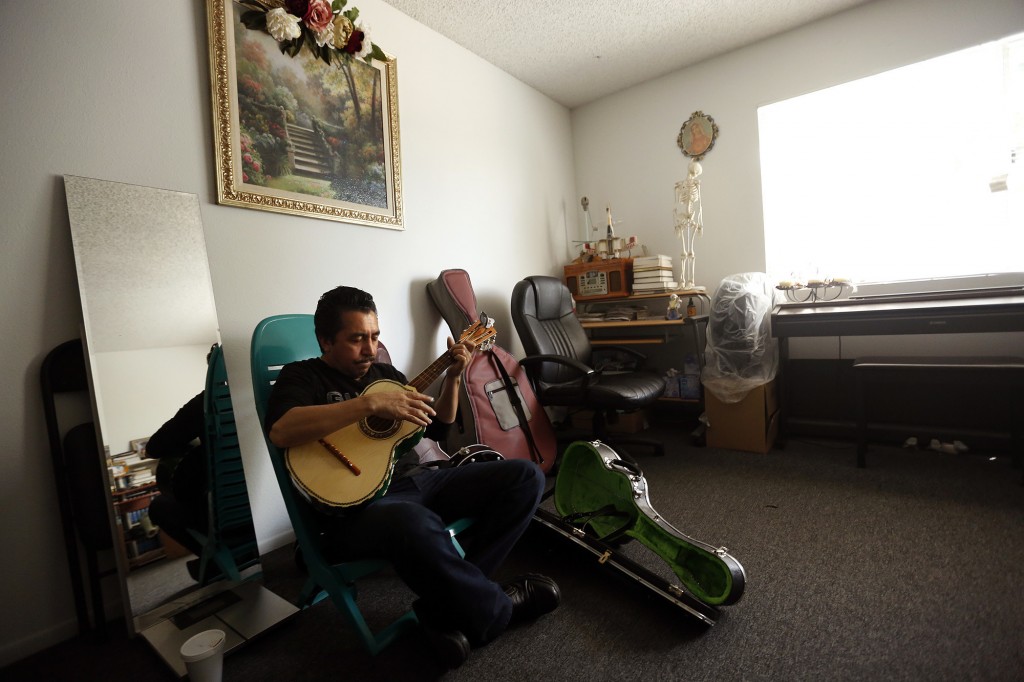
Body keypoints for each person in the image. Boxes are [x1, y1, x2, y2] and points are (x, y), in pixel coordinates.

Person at [264, 286, 559, 668]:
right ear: (325, 341)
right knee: (412, 521)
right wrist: (367, 403)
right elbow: (282, 430)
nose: (370, 349)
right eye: (356, 339)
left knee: (525, 477)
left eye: (374, 337)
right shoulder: (303, 377)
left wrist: (454, 376)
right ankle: (495, 609)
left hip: (418, 482)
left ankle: (448, 609)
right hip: (358, 509)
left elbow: (439, 428)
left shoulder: (388, 376)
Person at [145, 391, 211, 581]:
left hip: (225, 513)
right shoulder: (267, 389)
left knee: (158, 506)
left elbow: (153, 448)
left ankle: (216, 557)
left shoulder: (205, 402)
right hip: (265, 505)